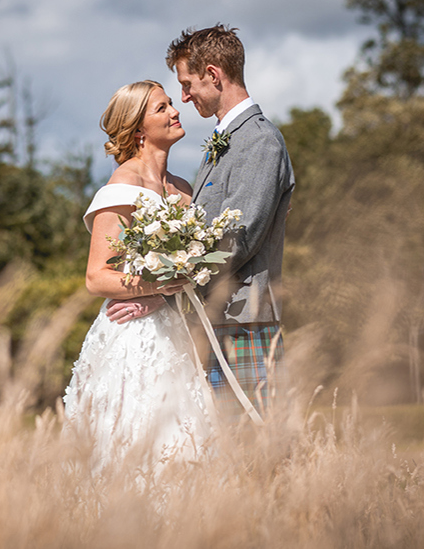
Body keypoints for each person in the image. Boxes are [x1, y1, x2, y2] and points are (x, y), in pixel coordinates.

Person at [109, 25, 295, 423]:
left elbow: (236, 241)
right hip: (215, 322)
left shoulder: (259, 141)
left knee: (259, 454)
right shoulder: (224, 141)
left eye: (188, 83)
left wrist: (165, 294)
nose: (184, 97)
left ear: (213, 74)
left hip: (245, 323)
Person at [62, 80, 215, 475]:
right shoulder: (123, 187)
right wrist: (156, 288)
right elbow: (97, 277)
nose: (175, 111)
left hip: (181, 332)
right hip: (136, 338)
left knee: (187, 444)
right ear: (138, 130)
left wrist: (163, 295)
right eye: (162, 108)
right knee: (137, 442)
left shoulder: (183, 190)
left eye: (170, 105)